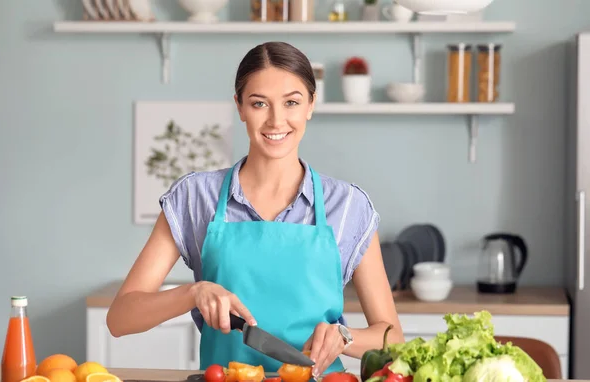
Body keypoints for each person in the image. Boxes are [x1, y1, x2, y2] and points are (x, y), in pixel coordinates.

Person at [106, 41, 404, 377]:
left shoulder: (348, 206)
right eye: (259, 103)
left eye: (292, 102)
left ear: (310, 105)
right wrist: (194, 292)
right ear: (240, 107)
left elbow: (392, 339)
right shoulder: (194, 197)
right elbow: (121, 318)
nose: (277, 120)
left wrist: (344, 337)